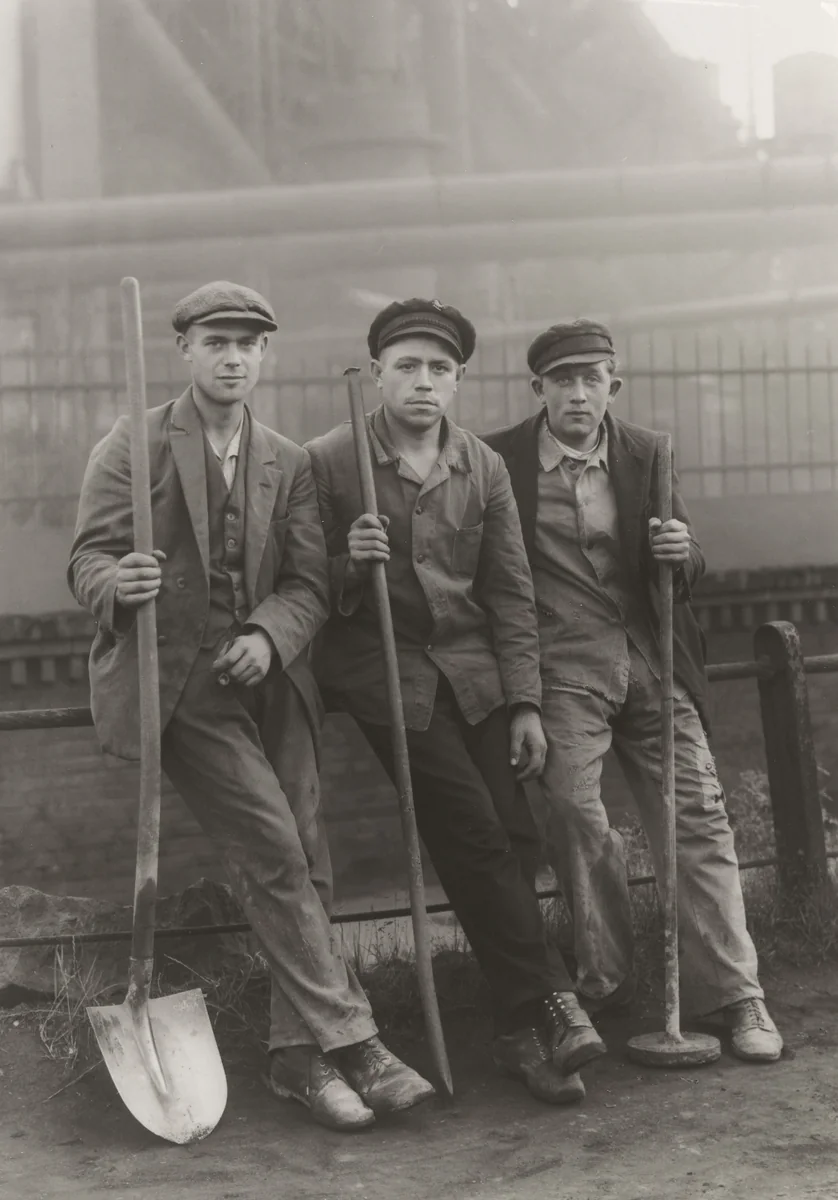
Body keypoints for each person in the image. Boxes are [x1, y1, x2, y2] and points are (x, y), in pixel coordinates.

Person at [68, 281, 435, 1132]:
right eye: (216, 342)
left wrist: (270, 635)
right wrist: (118, 583)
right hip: (181, 681)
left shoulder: (287, 460)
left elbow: (308, 583)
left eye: (248, 344)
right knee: (273, 846)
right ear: (185, 351)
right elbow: (85, 559)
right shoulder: (134, 441)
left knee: (309, 856)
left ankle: (294, 1060)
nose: (234, 358)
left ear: (265, 355)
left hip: (272, 677)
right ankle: (357, 1041)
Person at [305, 298, 608, 1107]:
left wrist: (526, 705)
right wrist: (345, 561)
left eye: (440, 369)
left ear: (460, 380)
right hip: (386, 673)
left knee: (513, 835)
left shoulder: (483, 466)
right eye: (407, 366)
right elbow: (291, 582)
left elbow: (510, 594)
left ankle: (516, 1037)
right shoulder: (330, 460)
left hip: (475, 672)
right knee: (471, 829)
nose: (423, 382)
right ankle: (552, 998)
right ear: (378, 374)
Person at [483, 319, 783, 1063]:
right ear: (539, 389)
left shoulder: (647, 452)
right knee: (573, 816)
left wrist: (684, 552)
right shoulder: (500, 461)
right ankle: (607, 982)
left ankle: (735, 997)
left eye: (592, 379)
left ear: (613, 385)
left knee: (699, 819)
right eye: (563, 380)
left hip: (649, 660)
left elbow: (687, 557)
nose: (578, 394)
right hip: (560, 670)